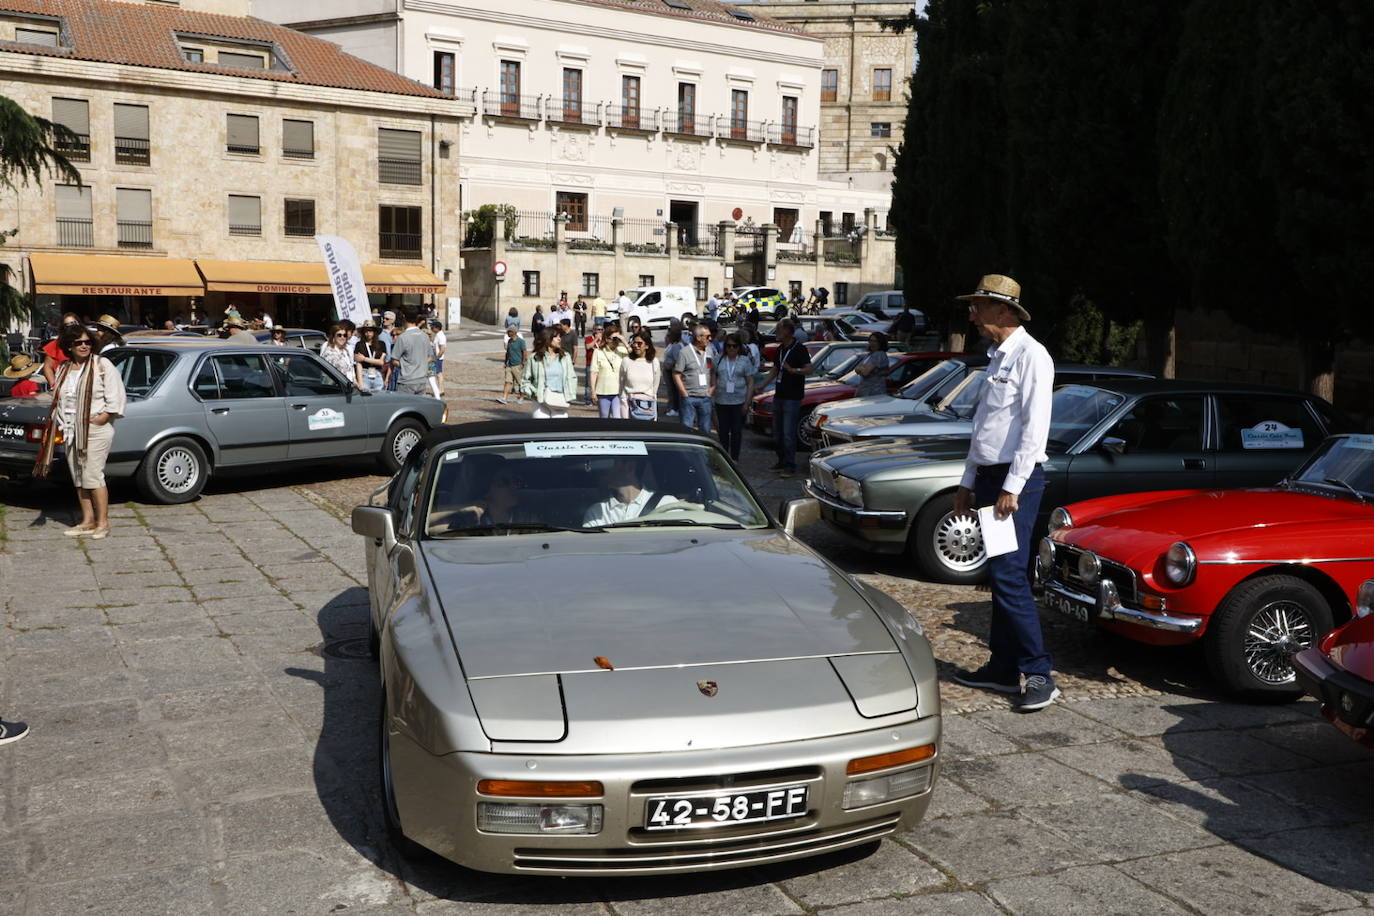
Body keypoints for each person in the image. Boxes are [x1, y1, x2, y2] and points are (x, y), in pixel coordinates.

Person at [948, 274, 1058, 713]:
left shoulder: (1033, 355)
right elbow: (986, 428)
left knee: (1011, 577)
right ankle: (1002, 667)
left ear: (1004, 311)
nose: (971, 315)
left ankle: (1038, 674)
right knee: (1000, 577)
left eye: (978, 306)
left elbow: (1035, 427)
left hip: (1016, 483)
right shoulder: (998, 357)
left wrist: (1011, 486)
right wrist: (969, 480)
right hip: (992, 480)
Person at [36, 323, 126, 538]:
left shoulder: (102, 364)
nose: (84, 346)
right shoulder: (65, 368)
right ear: (69, 346)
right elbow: (60, 396)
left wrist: (103, 417)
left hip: (94, 429)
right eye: (79, 343)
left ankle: (102, 523)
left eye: (87, 342)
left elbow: (116, 394)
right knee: (78, 476)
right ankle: (87, 521)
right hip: (70, 428)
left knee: (93, 475)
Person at [756, 319, 811, 477]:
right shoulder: (780, 348)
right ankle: (781, 461)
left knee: (788, 433)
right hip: (779, 395)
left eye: (779, 329)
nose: (776, 332)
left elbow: (809, 369)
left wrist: (794, 370)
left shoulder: (799, 348)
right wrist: (763, 385)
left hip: (792, 397)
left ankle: (790, 465)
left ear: (787, 331)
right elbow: (775, 369)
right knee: (778, 432)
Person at [582, 456, 677, 526]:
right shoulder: (597, 511)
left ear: (629, 467)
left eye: (608, 462)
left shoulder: (666, 504)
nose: (600, 469)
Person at [712, 333, 755, 460]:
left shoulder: (744, 360)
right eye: (728, 346)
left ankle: (734, 457)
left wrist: (747, 402)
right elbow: (713, 374)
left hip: (738, 401)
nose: (731, 349)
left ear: (738, 347)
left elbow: (750, 381)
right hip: (721, 400)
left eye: (734, 346)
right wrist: (713, 389)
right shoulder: (718, 359)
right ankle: (725, 456)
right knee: (723, 431)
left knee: (736, 431)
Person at [522, 328, 577, 418]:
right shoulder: (534, 358)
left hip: (560, 400)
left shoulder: (565, 357)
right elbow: (525, 380)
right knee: (542, 429)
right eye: (556, 337)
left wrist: (570, 394)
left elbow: (572, 377)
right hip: (540, 401)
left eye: (560, 337)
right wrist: (532, 393)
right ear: (547, 338)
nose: (559, 339)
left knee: (559, 430)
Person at [674, 323, 715, 433]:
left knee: (705, 430)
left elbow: (712, 371)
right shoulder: (684, 352)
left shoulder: (710, 352)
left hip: (705, 397)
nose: (710, 339)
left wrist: (712, 388)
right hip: (689, 397)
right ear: (698, 337)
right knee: (687, 430)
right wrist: (684, 393)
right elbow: (676, 374)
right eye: (707, 336)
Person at [392, 310, 435, 396]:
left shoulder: (403, 337)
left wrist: (407, 366)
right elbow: (431, 357)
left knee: (405, 407)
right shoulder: (424, 336)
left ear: (404, 318)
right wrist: (421, 363)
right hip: (421, 379)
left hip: (407, 380)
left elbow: (394, 360)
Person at [620, 331, 661, 421]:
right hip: (630, 405)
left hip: (648, 407)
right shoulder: (626, 361)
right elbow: (622, 387)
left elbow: (655, 388)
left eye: (639, 343)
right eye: (634, 343)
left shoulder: (654, 362)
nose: (636, 346)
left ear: (647, 346)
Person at [590, 325, 627, 418]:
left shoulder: (622, 351)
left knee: (617, 418)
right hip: (603, 391)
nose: (615, 341)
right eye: (613, 338)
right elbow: (594, 372)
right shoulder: (598, 352)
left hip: (618, 391)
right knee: (604, 417)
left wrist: (624, 341)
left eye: (617, 339)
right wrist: (593, 391)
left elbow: (634, 358)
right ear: (607, 338)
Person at [41, 312, 82, 388]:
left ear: (79, 323)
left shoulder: (86, 343)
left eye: (73, 323)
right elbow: (47, 367)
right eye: (67, 325)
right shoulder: (55, 344)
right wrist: (53, 385)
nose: (71, 327)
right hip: (64, 386)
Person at [853, 332, 891, 398]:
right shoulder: (870, 354)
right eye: (870, 340)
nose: (872, 343)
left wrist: (861, 368)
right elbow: (856, 369)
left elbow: (865, 373)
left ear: (880, 343)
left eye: (875, 341)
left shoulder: (879, 354)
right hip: (864, 390)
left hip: (874, 392)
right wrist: (862, 368)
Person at [498, 325, 528, 403]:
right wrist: (505, 362)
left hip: (517, 365)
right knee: (507, 381)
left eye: (509, 331)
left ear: (513, 332)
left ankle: (521, 397)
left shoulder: (521, 341)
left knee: (520, 382)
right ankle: (504, 398)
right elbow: (508, 353)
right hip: (509, 365)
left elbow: (525, 352)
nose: (507, 333)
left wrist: (523, 363)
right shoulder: (509, 341)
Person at [355, 321, 388, 391]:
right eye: (366, 331)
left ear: (374, 332)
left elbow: (381, 362)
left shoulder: (381, 344)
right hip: (364, 374)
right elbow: (358, 363)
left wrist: (364, 359)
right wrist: (360, 382)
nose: (368, 333)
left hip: (378, 374)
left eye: (370, 331)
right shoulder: (359, 344)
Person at [661, 320, 684, 417]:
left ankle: (675, 408)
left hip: (672, 371)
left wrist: (670, 366)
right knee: (672, 390)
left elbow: (676, 359)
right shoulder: (672, 345)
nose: (668, 337)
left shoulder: (676, 346)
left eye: (670, 335)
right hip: (668, 370)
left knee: (674, 390)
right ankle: (673, 407)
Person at [582, 324, 603, 406]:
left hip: (599, 364)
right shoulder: (589, 338)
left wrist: (601, 340)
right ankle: (588, 400)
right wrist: (596, 339)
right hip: (590, 363)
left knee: (598, 382)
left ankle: (597, 399)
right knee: (589, 383)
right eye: (598, 329)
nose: (600, 331)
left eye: (601, 329)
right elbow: (588, 347)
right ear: (594, 330)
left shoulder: (603, 339)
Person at [430, 320, 448, 395]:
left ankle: (441, 390)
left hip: (438, 358)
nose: (431, 328)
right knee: (438, 373)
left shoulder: (441, 336)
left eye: (432, 327)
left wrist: (437, 357)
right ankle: (440, 389)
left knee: (439, 374)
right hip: (437, 357)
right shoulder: (438, 335)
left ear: (437, 328)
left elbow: (442, 348)